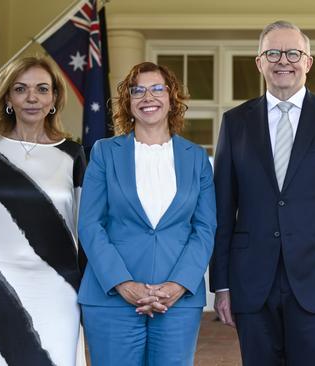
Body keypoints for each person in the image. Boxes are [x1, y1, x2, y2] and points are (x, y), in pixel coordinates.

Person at [209, 20, 315, 365]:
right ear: (260, 62)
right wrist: (221, 285)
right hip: (252, 284)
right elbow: (222, 210)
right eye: (273, 53)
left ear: (308, 62)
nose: (284, 60)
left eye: (293, 52)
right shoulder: (235, 122)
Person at [77, 61, 216, 366]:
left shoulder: (197, 159)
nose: (147, 97)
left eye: (157, 89)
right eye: (137, 90)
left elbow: (204, 229)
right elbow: (89, 224)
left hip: (177, 301)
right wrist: (122, 283)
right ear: (128, 102)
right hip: (111, 298)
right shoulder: (104, 152)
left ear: (172, 98)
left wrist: (178, 284)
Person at [0, 56, 86, 365]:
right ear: (7, 97)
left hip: (58, 292)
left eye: (42, 89)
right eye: (21, 89)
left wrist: (88, 299)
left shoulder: (73, 154)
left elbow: (85, 232)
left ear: (54, 98)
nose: (32, 97)